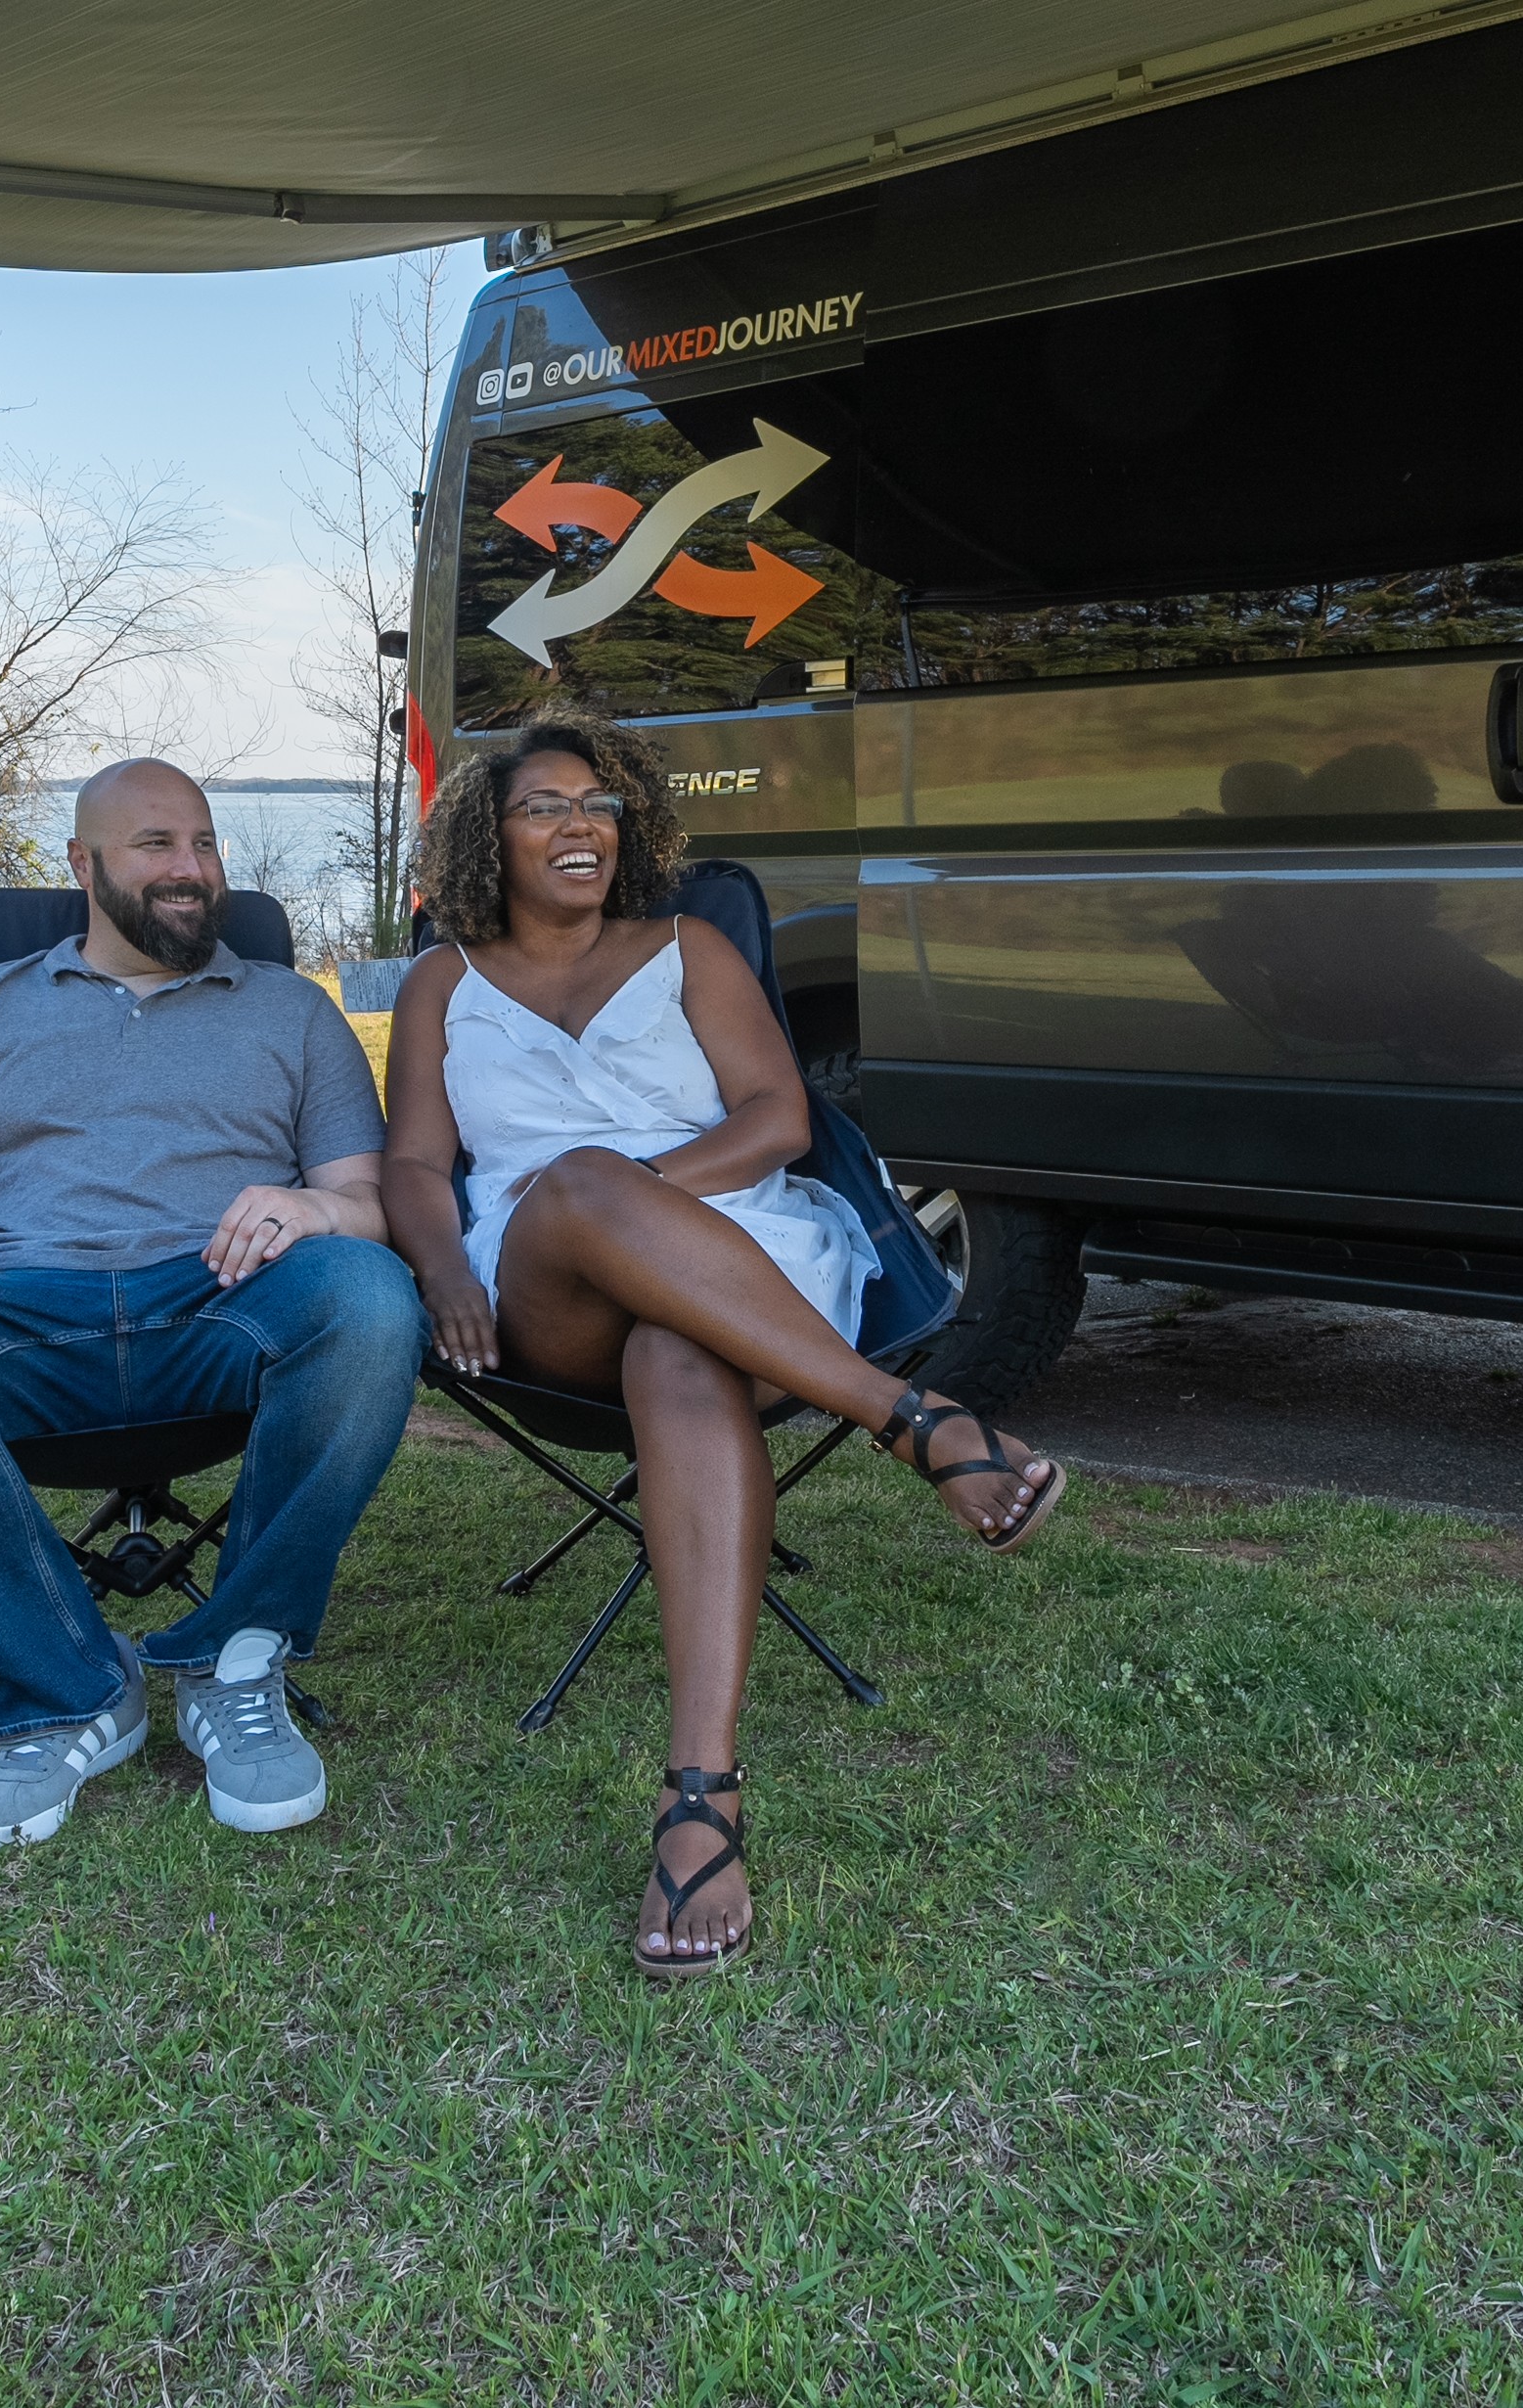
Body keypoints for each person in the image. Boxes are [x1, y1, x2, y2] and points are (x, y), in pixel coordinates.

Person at [380, 710, 1061, 1978]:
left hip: (737, 1253)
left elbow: (775, 1119)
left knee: (674, 1352)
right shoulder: (440, 982)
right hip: (539, 1282)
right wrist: (435, 1262)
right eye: (543, 807)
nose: (577, 824)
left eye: (597, 803)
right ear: (490, 833)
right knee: (577, 1189)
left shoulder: (687, 946)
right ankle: (912, 1421)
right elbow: (415, 1165)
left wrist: (648, 1206)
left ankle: (699, 1795)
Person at [0, 759, 423, 1852]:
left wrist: (313, 1214)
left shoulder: (293, 1011)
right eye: (156, 846)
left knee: (370, 1297)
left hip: (223, 1301)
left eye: (206, 844)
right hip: (15, 1309)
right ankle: (64, 1693)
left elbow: (365, 1202)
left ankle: (239, 1660)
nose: (191, 870)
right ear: (81, 864)